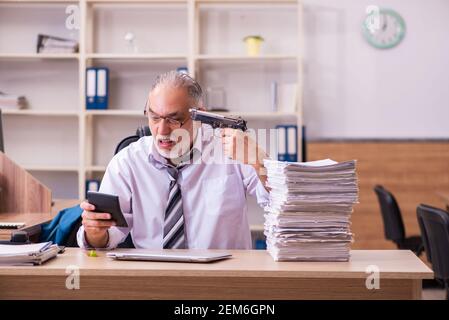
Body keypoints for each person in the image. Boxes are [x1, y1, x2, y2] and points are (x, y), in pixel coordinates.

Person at [77, 70, 270, 250]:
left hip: (221, 276)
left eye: (173, 119)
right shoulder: (127, 162)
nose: (162, 131)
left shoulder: (229, 150)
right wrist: (95, 232)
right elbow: (105, 238)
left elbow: (282, 202)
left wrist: (259, 161)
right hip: (153, 276)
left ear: (200, 115)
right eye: (154, 118)